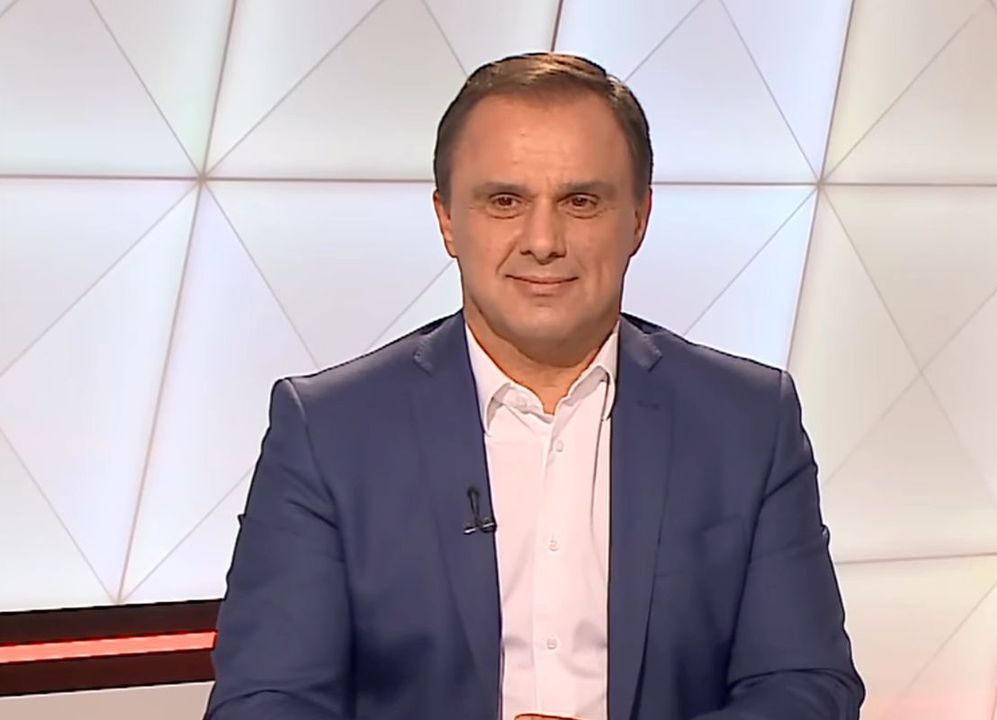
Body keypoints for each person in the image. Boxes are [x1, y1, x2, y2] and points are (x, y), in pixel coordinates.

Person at [206, 53, 863, 720]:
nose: (543, 240)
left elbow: (807, 689)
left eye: (581, 202)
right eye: (505, 201)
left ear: (639, 218)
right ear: (446, 220)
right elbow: (265, 704)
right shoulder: (329, 433)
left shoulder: (747, 422)